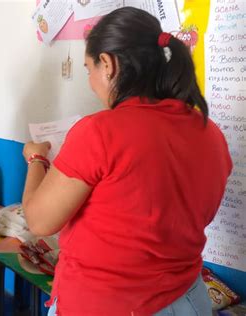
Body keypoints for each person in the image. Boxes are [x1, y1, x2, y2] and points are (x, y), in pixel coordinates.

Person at [22, 7, 232, 316]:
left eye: (88, 69)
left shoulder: (99, 132)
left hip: (108, 304)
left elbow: (39, 221)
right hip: (188, 301)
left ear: (107, 64)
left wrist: (36, 158)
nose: (91, 81)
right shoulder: (209, 133)